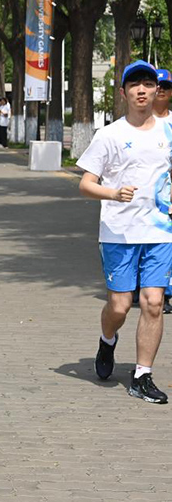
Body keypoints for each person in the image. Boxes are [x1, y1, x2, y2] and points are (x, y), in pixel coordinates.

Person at [77, 60, 172, 405]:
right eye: (135, 85)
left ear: (157, 90)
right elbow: (86, 184)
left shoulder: (169, 132)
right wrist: (113, 193)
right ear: (124, 93)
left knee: (154, 303)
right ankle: (107, 340)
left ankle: (142, 376)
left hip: (160, 232)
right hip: (119, 232)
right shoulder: (110, 135)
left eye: (148, 84)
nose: (142, 90)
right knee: (119, 306)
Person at [152, 69, 172, 313]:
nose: (161, 90)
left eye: (166, 86)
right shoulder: (139, 122)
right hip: (143, 197)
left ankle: (164, 293)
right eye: (157, 86)